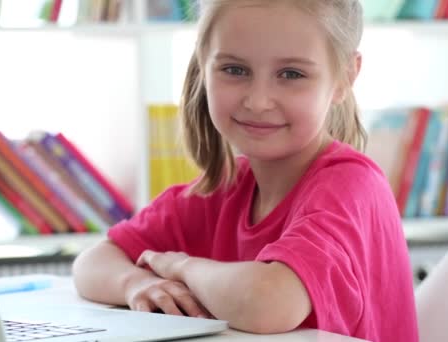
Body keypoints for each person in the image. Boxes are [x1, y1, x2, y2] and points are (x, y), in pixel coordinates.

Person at [73, 0, 419, 340]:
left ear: (345, 77)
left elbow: (268, 302)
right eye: (235, 70)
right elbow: (93, 262)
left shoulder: (351, 186)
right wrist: (138, 283)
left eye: (291, 74)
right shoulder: (222, 190)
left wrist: (182, 267)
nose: (258, 100)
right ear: (203, 65)